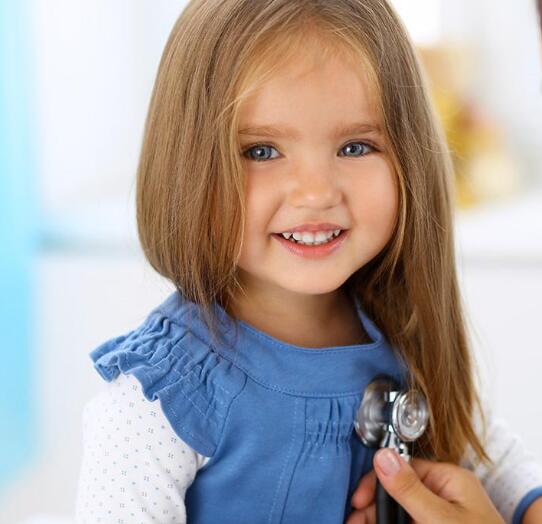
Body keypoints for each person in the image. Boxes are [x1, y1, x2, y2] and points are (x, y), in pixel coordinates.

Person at [74, 1, 542, 523]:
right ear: (188, 165)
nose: (317, 193)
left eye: (356, 147)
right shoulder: (160, 397)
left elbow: (493, 459)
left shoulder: (402, 335)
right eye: (261, 152)